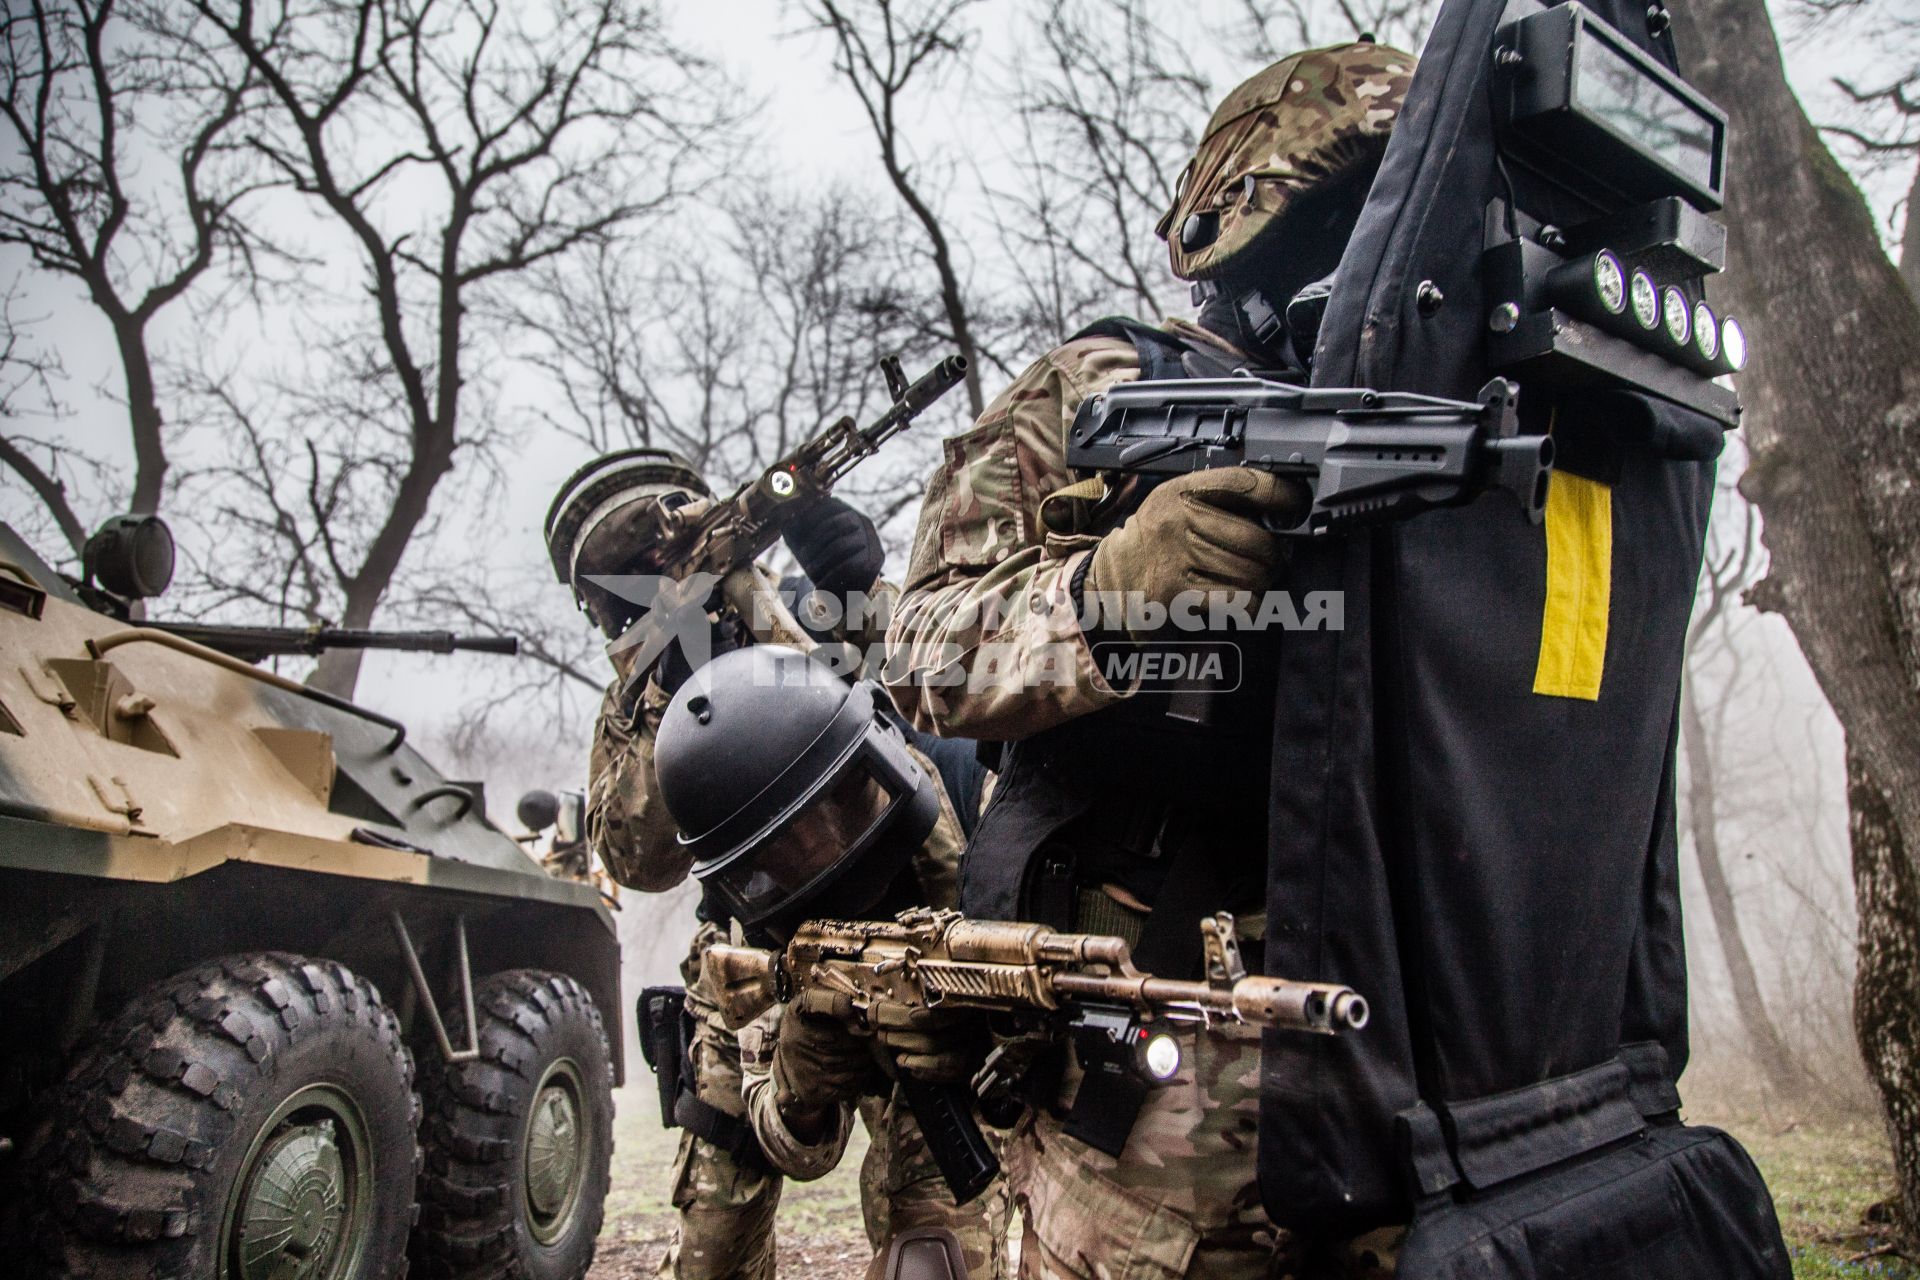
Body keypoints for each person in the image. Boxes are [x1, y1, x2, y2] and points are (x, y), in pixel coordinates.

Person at [882, 42, 1416, 1280]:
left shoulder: (1432, 408)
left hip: (1396, 1041)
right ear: (1249, 229)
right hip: (1157, 1075)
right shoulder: (1103, 384)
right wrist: (1108, 595)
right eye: (1347, 216)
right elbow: (914, 648)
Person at [545, 449, 997, 1280]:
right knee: (713, 1243)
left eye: (668, 555)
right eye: (639, 572)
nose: (664, 575)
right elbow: (638, 860)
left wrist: (856, 585)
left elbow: (949, 688)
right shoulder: (631, 706)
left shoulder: (804, 612)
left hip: (902, 940)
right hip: (745, 967)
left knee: (937, 1239)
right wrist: (665, 700)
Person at [652, 642, 1009, 1280]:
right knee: (710, 1255)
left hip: (960, 1059)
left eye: (830, 814)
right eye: (785, 852)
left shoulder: (980, 790)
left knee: (940, 1250)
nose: (819, 849)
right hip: (793, 1007)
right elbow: (796, 1145)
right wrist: (801, 1092)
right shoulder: (753, 929)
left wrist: (983, 1033)